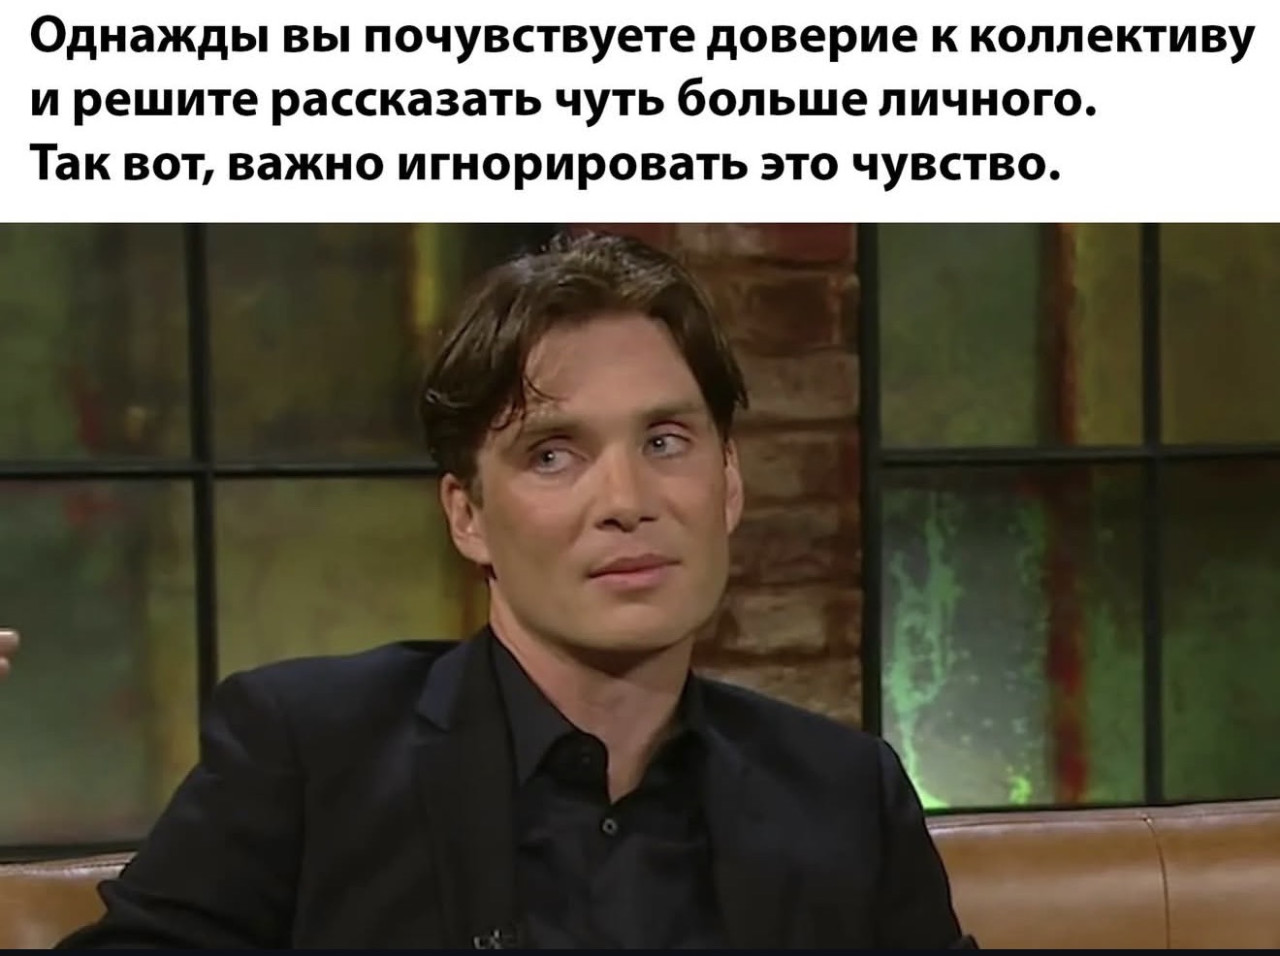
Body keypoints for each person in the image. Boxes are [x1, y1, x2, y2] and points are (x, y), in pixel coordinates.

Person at [34, 231, 973, 949]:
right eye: (554, 454)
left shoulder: (845, 797)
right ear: (468, 515)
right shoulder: (309, 760)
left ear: (727, 482)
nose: (627, 501)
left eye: (665, 442)